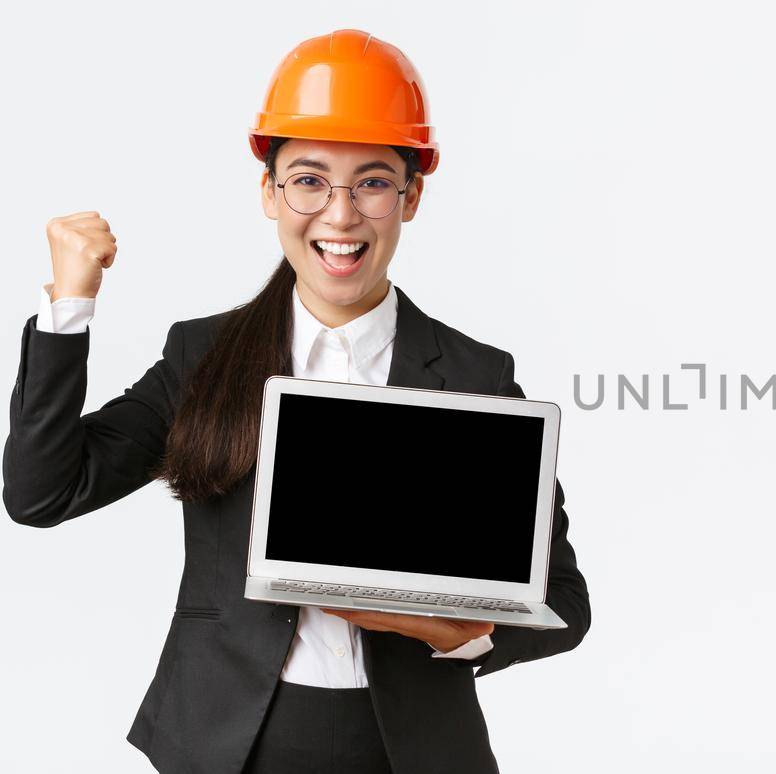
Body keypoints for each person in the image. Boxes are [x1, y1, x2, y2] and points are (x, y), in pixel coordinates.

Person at [2, 29, 590, 773]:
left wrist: (451, 633)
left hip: (410, 748)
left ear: (410, 197)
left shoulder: (474, 374)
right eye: (309, 180)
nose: (340, 216)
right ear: (269, 192)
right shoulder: (202, 358)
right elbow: (41, 492)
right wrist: (69, 307)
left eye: (373, 182)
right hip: (229, 741)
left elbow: (565, 601)